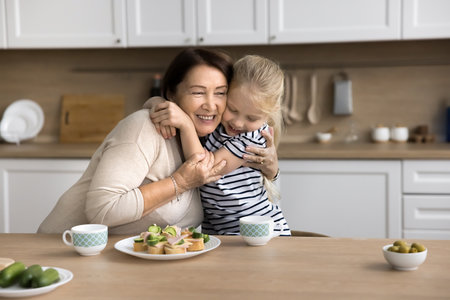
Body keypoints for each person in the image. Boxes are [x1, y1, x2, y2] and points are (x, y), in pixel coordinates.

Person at [38, 48, 279, 235]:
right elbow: (103, 211)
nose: (210, 104)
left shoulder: (208, 138)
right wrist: (180, 182)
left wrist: (273, 170)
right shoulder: (145, 127)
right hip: (65, 252)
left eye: (220, 92)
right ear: (172, 94)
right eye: (197, 92)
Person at [150, 55, 290, 236]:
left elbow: (205, 168)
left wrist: (185, 124)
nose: (238, 123)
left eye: (251, 118)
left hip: (259, 231)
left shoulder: (253, 137)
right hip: (222, 232)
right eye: (233, 109)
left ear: (271, 112)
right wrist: (156, 103)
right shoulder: (215, 126)